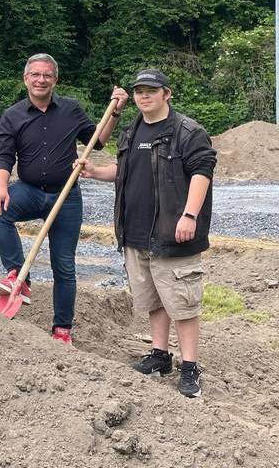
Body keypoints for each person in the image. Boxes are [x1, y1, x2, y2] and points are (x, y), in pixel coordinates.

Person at [75, 68, 216, 398]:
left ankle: (190, 367)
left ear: (167, 93)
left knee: (182, 302)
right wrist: (95, 171)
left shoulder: (187, 131)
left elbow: (202, 172)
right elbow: (124, 170)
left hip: (172, 231)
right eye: (139, 91)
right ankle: (159, 355)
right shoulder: (131, 130)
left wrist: (189, 215)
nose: (143, 96)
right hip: (136, 232)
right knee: (154, 300)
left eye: (151, 90)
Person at [0, 53, 127, 345]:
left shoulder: (72, 110)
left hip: (66, 196)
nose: (41, 80)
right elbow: (2, 157)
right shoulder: (13, 115)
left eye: (46, 75)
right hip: (29, 190)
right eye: (35, 75)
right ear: (26, 79)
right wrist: (1, 188)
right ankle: (18, 276)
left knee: (63, 265)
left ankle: (62, 330)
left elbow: (97, 141)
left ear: (55, 79)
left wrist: (114, 112)